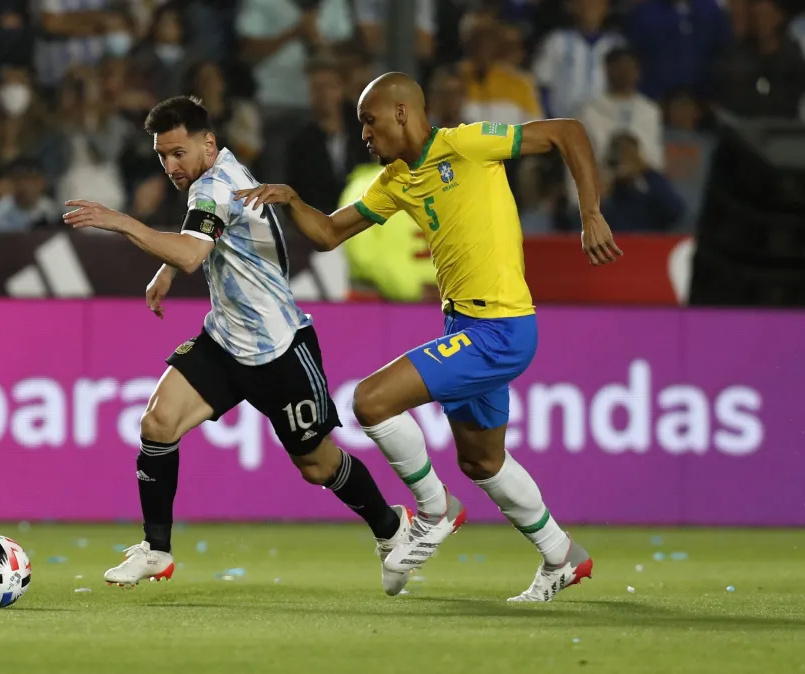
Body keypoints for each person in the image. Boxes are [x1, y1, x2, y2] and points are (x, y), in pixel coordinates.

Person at [235, 72, 622, 602]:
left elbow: (569, 132)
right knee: (482, 461)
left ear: (401, 111)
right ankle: (562, 556)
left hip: (500, 328)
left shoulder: (465, 144)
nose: (364, 134)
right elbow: (328, 234)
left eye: (369, 121)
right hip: (465, 324)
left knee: (370, 400)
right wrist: (293, 200)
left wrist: (590, 213)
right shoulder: (395, 180)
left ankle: (434, 509)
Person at [63, 96, 412, 594]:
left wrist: (122, 222)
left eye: (178, 153)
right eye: (163, 156)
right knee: (158, 423)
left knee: (317, 465)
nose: (171, 166)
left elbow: (192, 252)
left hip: (279, 348)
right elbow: (207, 241)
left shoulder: (216, 184)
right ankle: (156, 550)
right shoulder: (222, 172)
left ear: (208, 143)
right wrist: (166, 267)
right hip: (226, 339)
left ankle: (391, 527)